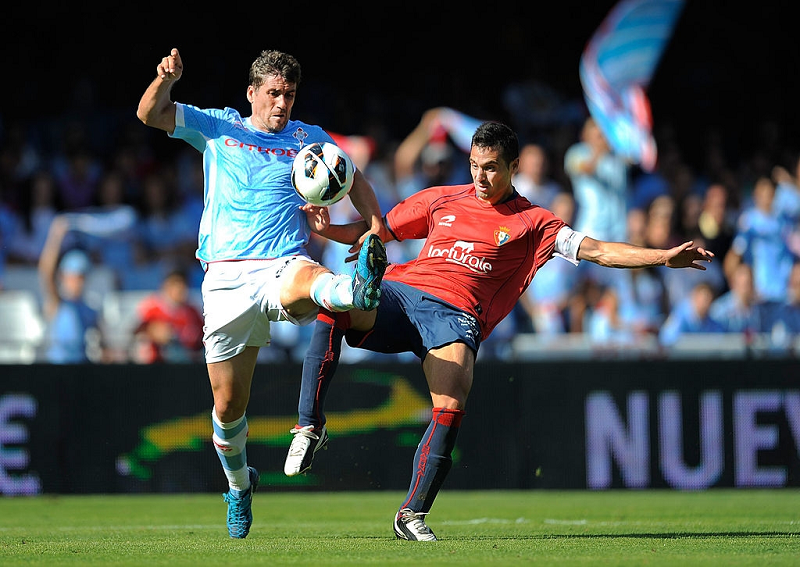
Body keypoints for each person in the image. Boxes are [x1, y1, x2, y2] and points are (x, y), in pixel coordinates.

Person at [284, 121, 714, 541]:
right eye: (474, 165)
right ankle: (309, 426)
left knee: (450, 404)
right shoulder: (442, 199)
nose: (480, 176)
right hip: (404, 292)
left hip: (457, 316)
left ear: (514, 166)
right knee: (336, 305)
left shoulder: (535, 222)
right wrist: (330, 231)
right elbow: (378, 230)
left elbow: (598, 250)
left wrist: (662, 257)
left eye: (490, 167)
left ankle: (410, 513)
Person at [136, 47, 388, 539]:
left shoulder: (308, 140)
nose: (281, 102)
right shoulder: (216, 127)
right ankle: (238, 485)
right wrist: (164, 80)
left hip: (281, 264)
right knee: (229, 406)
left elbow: (353, 178)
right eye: (273, 93)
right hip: (225, 278)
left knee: (308, 282)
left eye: (289, 94)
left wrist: (375, 227)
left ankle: (354, 289)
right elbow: (149, 114)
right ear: (251, 93)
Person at [38, 216, 103, 363]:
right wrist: (56, 237)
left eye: (80, 278)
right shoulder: (56, 303)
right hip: (56, 371)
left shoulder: (90, 309)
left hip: (81, 371)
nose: (76, 283)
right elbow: (45, 272)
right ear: (62, 277)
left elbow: (102, 342)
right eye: (72, 277)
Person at [133, 268, 204, 363]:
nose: (179, 289)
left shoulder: (192, 311)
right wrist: (151, 332)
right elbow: (136, 333)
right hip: (157, 365)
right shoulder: (151, 308)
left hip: (188, 365)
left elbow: (202, 338)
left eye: (183, 284)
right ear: (166, 286)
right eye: (175, 284)